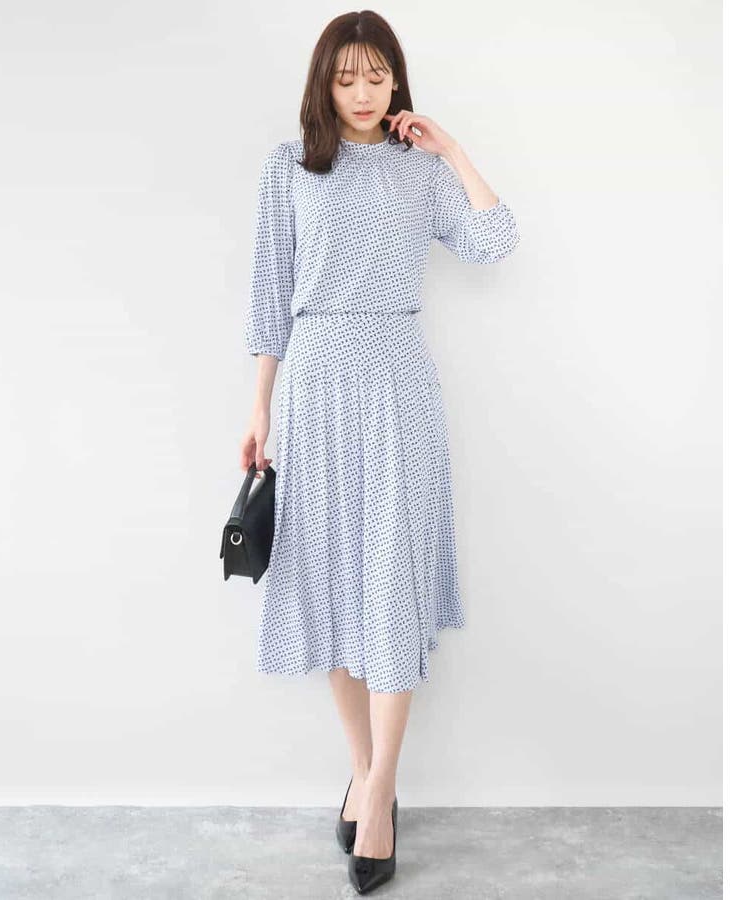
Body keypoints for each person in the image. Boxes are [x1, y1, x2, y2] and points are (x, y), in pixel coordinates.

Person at [239, 11, 520, 894]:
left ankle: (383, 794)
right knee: (331, 580)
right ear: (323, 84)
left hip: (397, 385)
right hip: (314, 389)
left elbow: (496, 239)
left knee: (389, 583)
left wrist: (453, 151)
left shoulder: (420, 171)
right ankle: (364, 772)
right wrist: (259, 408)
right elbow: (269, 294)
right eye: (345, 77)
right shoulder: (289, 167)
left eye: (376, 76)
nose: (361, 93)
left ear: (397, 80)